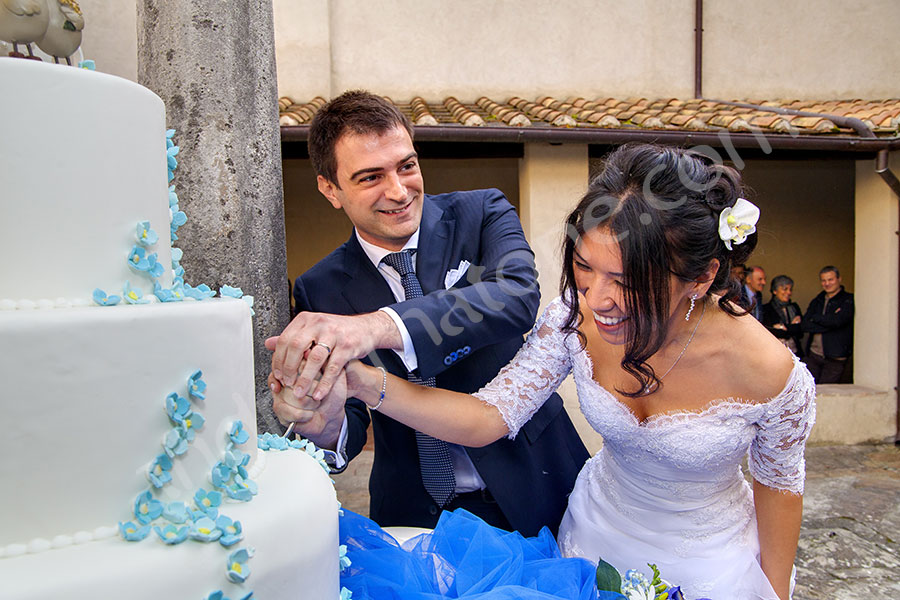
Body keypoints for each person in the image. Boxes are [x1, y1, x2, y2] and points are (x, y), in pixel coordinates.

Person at [278, 144, 817, 600]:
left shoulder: (770, 373)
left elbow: (780, 491)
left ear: (701, 277)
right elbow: (488, 416)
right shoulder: (571, 320)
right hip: (591, 536)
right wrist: (363, 382)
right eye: (585, 267)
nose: (598, 300)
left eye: (626, 281)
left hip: (711, 559)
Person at [266, 90, 588, 537]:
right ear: (330, 189)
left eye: (407, 166)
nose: (398, 191)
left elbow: (514, 297)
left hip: (540, 485)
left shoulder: (481, 213)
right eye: (369, 177)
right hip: (414, 513)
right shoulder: (319, 288)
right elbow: (350, 420)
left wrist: (377, 327)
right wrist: (325, 426)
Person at [802, 266, 854, 383]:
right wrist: (829, 324)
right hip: (814, 356)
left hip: (836, 357)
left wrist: (815, 318)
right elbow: (805, 325)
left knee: (828, 392)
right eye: (823, 280)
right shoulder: (818, 300)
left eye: (830, 280)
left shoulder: (848, 300)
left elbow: (838, 321)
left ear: (839, 279)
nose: (827, 284)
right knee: (810, 391)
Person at [762, 275, 804, 356]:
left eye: (790, 289)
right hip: (776, 354)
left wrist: (784, 327)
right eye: (785, 289)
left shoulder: (794, 307)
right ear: (775, 291)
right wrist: (792, 327)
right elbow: (771, 332)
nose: (789, 292)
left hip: (795, 353)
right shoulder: (767, 309)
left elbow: (800, 331)